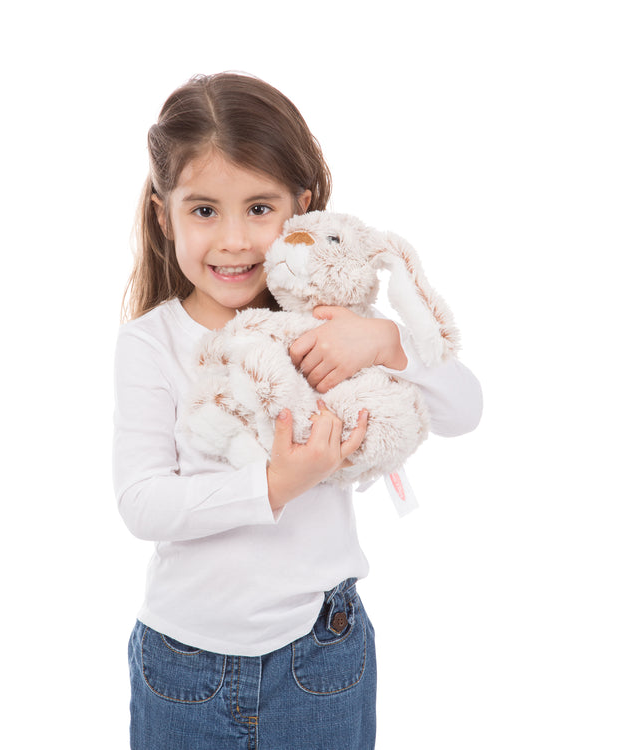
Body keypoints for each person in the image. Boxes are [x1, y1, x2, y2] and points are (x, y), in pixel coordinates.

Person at [113, 72, 482, 750]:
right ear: (164, 216)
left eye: (260, 208)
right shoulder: (152, 343)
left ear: (302, 207)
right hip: (182, 665)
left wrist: (388, 341)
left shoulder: (332, 322)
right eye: (204, 211)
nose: (234, 240)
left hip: (320, 654)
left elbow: (465, 409)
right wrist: (277, 485)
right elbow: (143, 503)